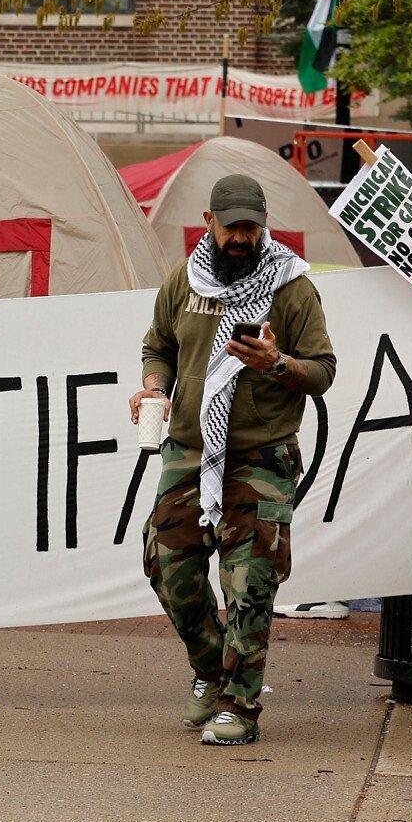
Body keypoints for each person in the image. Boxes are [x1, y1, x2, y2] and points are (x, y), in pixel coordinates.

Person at [133, 173, 335, 748]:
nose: (242, 238)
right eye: (232, 227)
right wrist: (154, 386)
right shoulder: (184, 282)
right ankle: (210, 670)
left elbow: (322, 371)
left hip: (261, 454)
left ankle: (239, 705)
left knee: (249, 582)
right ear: (210, 223)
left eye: (251, 226)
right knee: (167, 567)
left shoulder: (292, 287)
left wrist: (277, 363)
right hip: (190, 449)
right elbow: (159, 347)